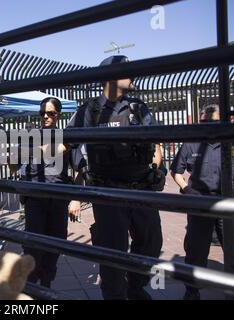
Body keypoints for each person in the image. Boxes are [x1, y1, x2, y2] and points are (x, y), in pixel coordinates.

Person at [67, 55, 165, 300]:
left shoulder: (137, 107)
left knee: (151, 244)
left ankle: (135, 287)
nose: (133, 73)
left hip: (142, 190)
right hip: (108, 194)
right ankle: (115, 295)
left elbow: (157, 141)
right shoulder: (90, 110)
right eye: (127, 69)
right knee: (112, 252)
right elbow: (67, 144)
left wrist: (155, 169)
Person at [9, 97, 76, 288]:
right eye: (43, 113)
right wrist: (14, 154)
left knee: (56, 242)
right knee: (33, 244)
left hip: (58, 198)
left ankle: (46, 283)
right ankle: (30, 284)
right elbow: (14, 167)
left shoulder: (67, 137)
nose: (46, 117)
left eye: (51, 113)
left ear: (59, 114)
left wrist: (75, 199)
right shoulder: (29, 136)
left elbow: (78, 166)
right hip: (35, 198)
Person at [170, 104, 223, 300]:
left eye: (213, 121)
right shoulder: (191, 143)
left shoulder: (229, 141)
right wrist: (187, 189)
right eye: (205, 121)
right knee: (196, 249)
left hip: (227, 202)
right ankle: (192, 290)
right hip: (199, 202)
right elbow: (176, 171)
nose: (208, 125)